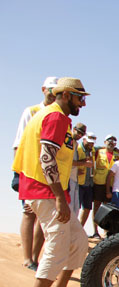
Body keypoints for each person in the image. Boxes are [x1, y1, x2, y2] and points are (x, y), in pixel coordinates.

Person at [11, 77, 90, 287]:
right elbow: (47, 157)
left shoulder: (60, 118)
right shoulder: (54, 117)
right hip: (43, 189)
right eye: (80, 97)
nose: (83, 104)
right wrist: (58, 197)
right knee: (57, 242)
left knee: (78, 240)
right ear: (66, 95)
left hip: (52, 190)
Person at [12, 76, 58, 270]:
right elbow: (18, 144)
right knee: (28, 213)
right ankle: (27, 258)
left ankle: (35, 257)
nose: (52, 93)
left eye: (56, 91)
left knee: (42, 217)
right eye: (50, 90)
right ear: (43, 89)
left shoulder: (57, 115)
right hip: (29, 171)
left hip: (48, 175)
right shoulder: (31, 111)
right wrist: (19, 172)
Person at [91, 134, 118, 238]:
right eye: (109, 140)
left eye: (113, 141)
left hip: (111, 183)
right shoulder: (99, 152)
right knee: (97, 206)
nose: (111, 142)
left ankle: (106, 231)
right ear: (104, 142)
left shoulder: (117, 155)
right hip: (99, 182)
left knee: (107, 208)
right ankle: (95, 231)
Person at [77, 132, 96, 226]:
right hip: (78, 183)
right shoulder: (77, 148)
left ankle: (80, 228)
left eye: (92, 143)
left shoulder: (92, 150)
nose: (91, 144)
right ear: (84, 139)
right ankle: (72, 229)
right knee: (76, 207)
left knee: (88, 207)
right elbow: (70, 162)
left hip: (89, 183)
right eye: (89, 142)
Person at [67, 122, 87, 216]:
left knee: (75, 209)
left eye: (82, 134)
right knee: (69, 208)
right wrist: (84, 163)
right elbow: (68, 162)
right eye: (79, 133)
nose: (80, 135)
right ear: (74, 129)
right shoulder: (68, 141)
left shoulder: (75, 143)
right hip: (68, 178)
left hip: (75, 179)